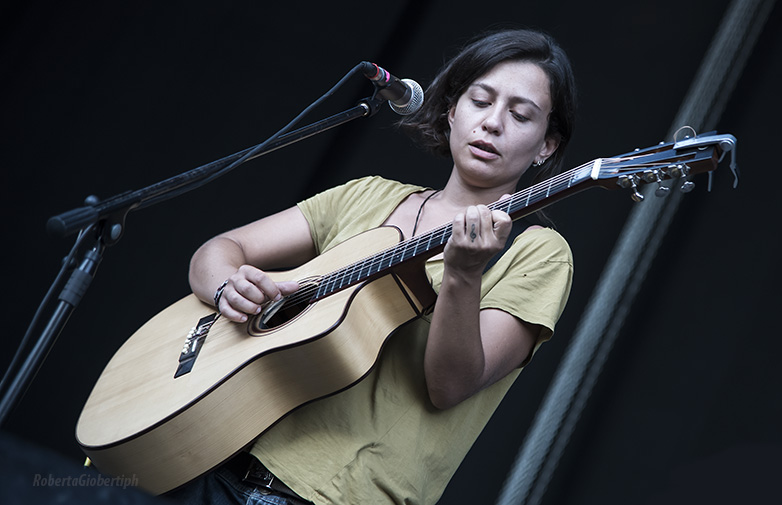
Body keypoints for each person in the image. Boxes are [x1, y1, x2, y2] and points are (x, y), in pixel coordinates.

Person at [170, 27, 577, 505]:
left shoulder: (540, 252)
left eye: (520, 115)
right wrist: (228, 290)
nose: (491, 124)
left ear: (547, 144)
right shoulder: (367, 194)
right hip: (215, 456)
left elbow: (449, 386)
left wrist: (464, 274)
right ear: (451, 110)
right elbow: (217, 250)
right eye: (480, 101)